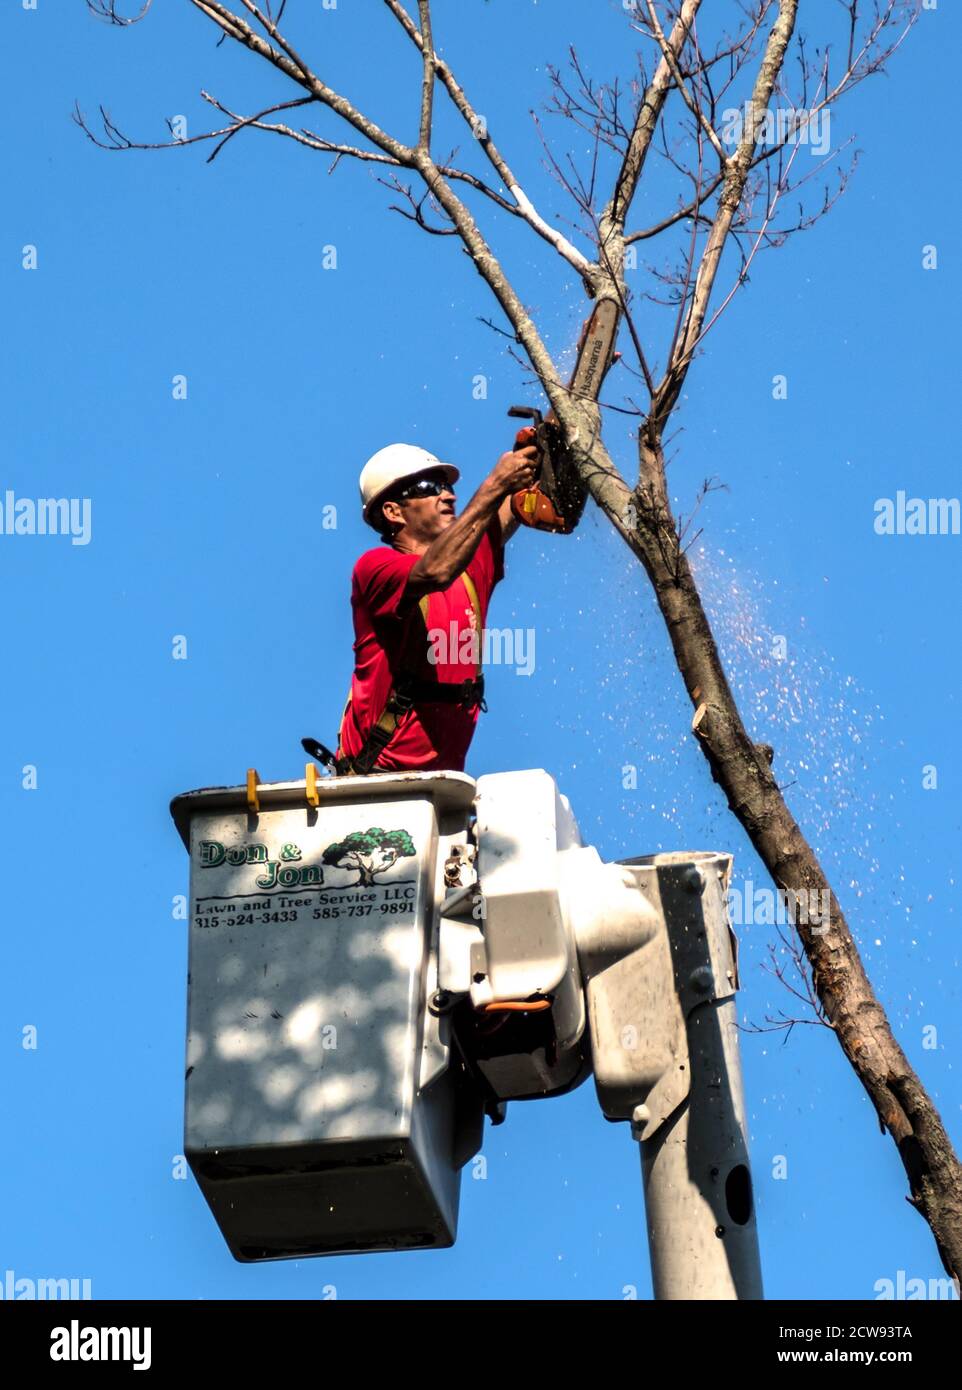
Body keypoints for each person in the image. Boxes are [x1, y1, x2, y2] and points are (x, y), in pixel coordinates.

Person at [334, 436, 540, 775]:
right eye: (431, 487)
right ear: (392, 511)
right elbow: (435, 570)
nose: (449, 495)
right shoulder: (376, 568)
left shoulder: (470, 565)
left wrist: (551, 438)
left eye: (446, 486)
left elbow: (503, 509)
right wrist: (495, 484)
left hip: (442, 787)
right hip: (372, 785)